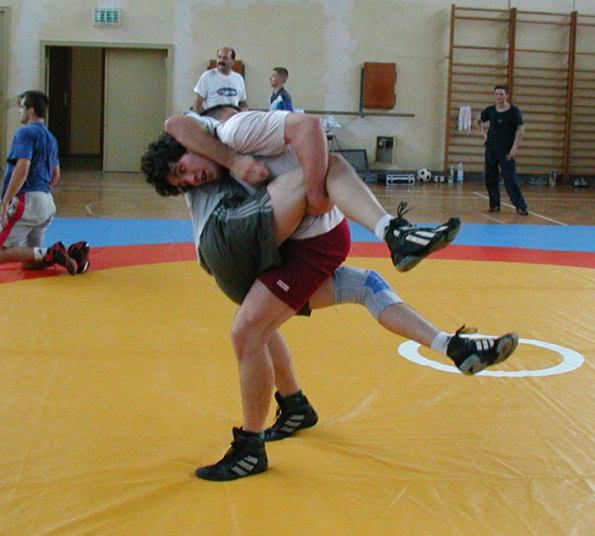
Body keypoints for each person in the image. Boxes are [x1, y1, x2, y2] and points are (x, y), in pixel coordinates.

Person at [141, 110, 517, 481]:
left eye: (183, 171)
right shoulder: (231, 140)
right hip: (264, 243)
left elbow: (307, 128)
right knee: (252, 328)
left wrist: (301, 185)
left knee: (323, 301)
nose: (191, 180)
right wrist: (249, 167)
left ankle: (448, 346)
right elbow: (178, 124)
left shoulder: (240, 131)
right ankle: (395, 233)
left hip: (289, 248)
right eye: (182, 180)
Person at [0, 90, 90, 275]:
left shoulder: (25, 133)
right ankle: (73, 252)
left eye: (22, 107)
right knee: (30, 262)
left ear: (31, 110)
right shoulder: (51, 139)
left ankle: (50, 252)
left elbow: (22, 167)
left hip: (28, 201)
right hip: (47, 203)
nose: (20, 112)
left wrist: (6, 200)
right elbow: (56, 174)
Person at [477, 85, 529, 215]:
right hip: (491, 149)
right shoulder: (490, 110)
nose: (499, 96)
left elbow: (521, 129)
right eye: (496, 94)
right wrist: (484, 135)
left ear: (507, 96)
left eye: (501, 94)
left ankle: (520, 206)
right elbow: (477, 121)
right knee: (490, 178)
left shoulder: (514, 111)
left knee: (510, 179)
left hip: (506, 151)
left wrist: (515, 147)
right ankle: (494, 205)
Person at [193, 47, 248, 113]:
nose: (221, 61)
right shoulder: (207, 76)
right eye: (219, 57)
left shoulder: (239, 79)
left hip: (233, 118)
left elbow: (242, 102)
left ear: (233, 62)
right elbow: (198, 103)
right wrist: (199, 117)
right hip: (212, 118)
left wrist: (245, 111)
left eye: (225, 58)